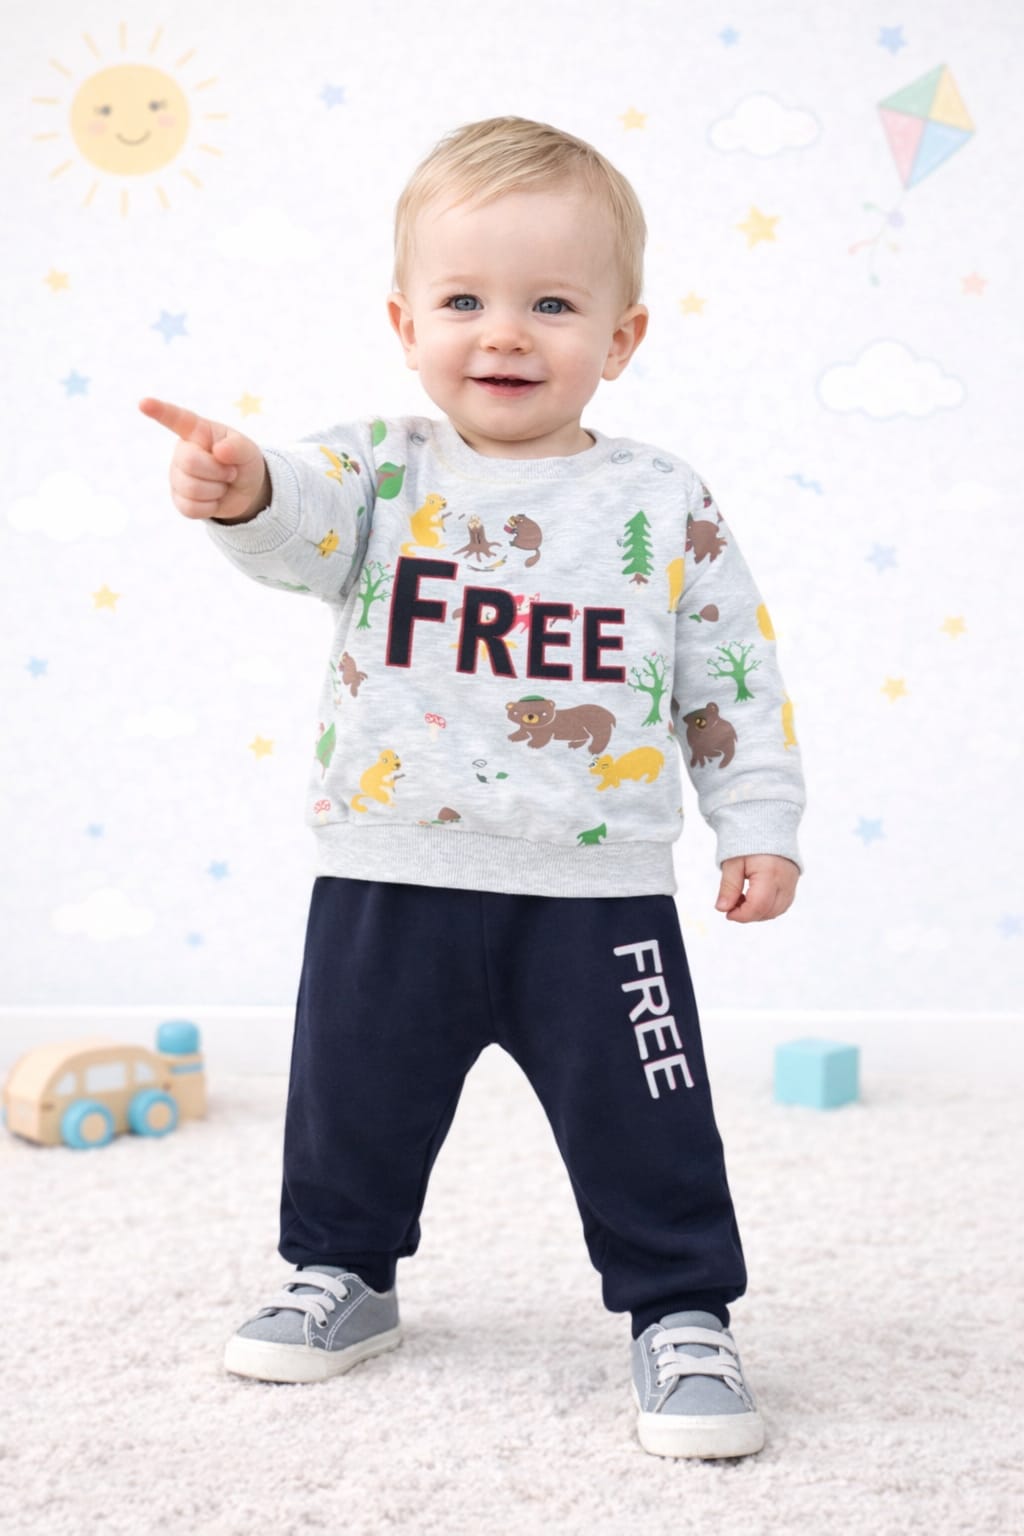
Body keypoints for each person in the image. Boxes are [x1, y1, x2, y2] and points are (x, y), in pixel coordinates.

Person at [139, 114, 805, 1461]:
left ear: (621, 337)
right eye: (463, 302)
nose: (503, 334)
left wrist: (760, 823)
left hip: (596, 893)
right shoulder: (379, 470)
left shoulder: (663, 499)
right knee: (352, 1101)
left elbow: (728, 674)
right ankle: (342, 1272)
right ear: (405, 324)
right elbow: (295, 520)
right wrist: (243, 485)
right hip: (392, 870)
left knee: (649, 1119)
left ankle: (682, 1310)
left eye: (551, 304)